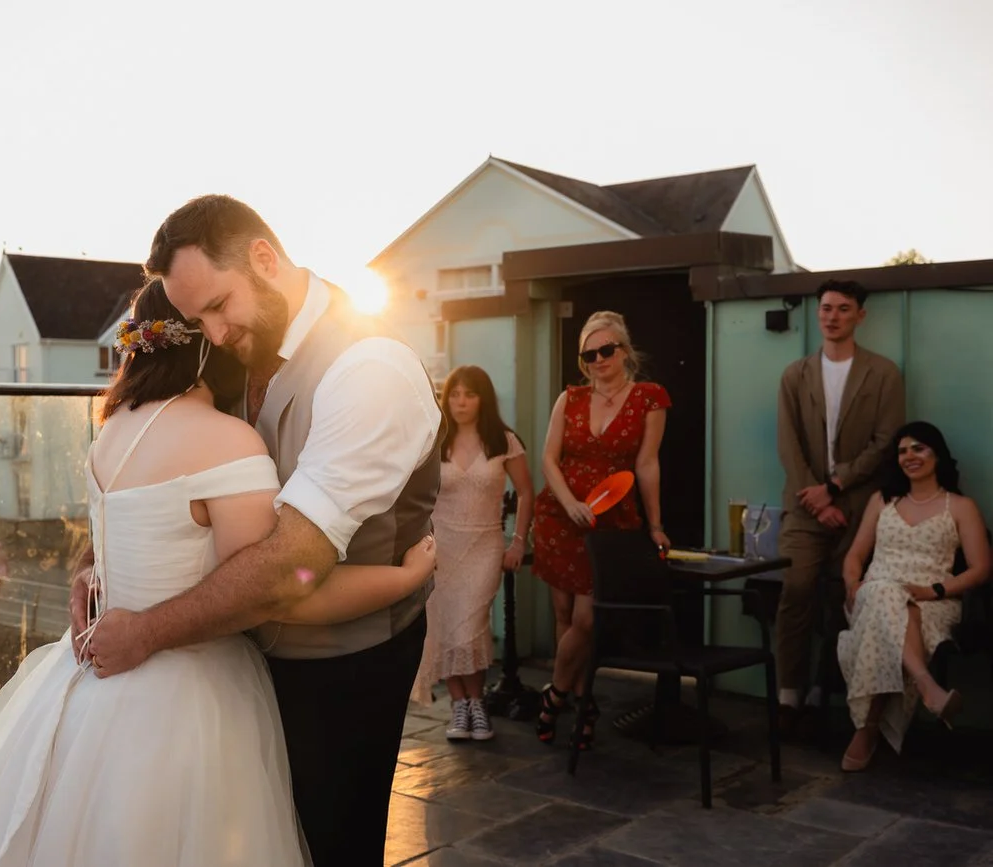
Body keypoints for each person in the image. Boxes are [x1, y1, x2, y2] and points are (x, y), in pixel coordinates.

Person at [0, 280, 437, 866]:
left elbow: (115, 534)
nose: (230, 336)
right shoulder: (227, 440)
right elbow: (275, 592)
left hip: (98, 680)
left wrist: (95, 572)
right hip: (193, 684)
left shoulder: (111, 430)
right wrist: (405, 579)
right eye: (213, 321)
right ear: (203, 344)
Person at [69, 195, 443, 867]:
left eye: (218, 305)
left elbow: (284, 570)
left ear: (264, 260)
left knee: (330, 842)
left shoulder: (368, 369)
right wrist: (99, 564)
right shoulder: (234, 354)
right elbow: (159, 484)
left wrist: (145, 628)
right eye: (194, 320)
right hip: (237, 656)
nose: (210, 334)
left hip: (344, 664)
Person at [530, 311, 671, 749]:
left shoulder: (650, 398)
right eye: (589, 354)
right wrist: (569, 502)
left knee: (587, 619)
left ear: (624, 351)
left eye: (606, 350)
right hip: (560, 514)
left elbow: (647, 463)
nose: (598, 359)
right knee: (563, 616)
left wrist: (656, 524)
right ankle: (582, 705)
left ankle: (555, 697)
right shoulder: (568, 398)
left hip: (610, 521)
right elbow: (549, 459)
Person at [774, 279, 905, 734]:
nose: (832, 316)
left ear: (859, 316)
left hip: (858, 507)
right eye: (826, 308)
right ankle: (787, 697)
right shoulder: (795, 374)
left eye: (843, 309)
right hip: (805, 505)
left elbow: (887, 442)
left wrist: (836, 486)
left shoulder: (883, 373)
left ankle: (823, 693)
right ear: (817, 313)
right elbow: (788, 445)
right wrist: (815, 497)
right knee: (795, 592)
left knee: (843, 600)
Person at [837, 422, 989, 771]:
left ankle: (867, 728)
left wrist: (932, 590)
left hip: (934, 602)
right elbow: (855, 556)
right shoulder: (882, 501)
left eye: (919, 448)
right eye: (903, 451)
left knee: (890, 613)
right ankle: (928, 687)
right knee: (885, 594)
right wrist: (851, 585)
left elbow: (980, 568)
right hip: (873, 593)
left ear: (937, 454)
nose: (909, 456)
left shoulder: (961, 507)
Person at [411, 365, 533, 742]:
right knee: (445, 626)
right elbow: (416, 494)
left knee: (471, 625)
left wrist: (518, 541)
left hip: (484, 546)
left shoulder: (503, 441)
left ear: (484, 399)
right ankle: (460, 706)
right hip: (441, 548)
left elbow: (527, 493)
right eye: (455, 394)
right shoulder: (436, 440)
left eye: (470, 394)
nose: (461, 402)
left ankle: (477, 702)